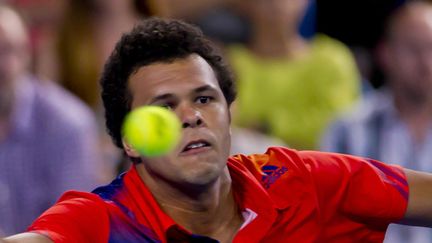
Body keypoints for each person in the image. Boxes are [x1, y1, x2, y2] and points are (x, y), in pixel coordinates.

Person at [3, 17, 432, 243]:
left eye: (205, 99)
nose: (191, 116)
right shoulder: (100, 220)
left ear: (230, 115)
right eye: (163, 108)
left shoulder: (301, 182)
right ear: (131, 140)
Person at [320, 1, 432, 242]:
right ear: (385, 54)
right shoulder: (346, 129)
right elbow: (328, 218)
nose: (427, 63)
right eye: (414, 49)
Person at [0, 4, 104, 235]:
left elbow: (75, 227)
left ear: (27, 52)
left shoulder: (68, 124)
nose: (1, 65)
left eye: (7, 50)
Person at [227, 0, 361, 150]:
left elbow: (338, 124)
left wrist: (268, 126)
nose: (277, 4)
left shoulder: (333, 58)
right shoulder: (230, 61)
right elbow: (227, 124)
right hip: (249, 167)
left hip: (319, 168)